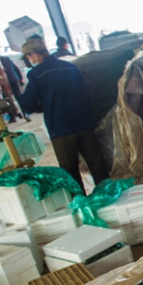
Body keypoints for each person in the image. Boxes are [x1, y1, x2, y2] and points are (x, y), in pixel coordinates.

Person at [20, 37, 109, 194]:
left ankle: (80, 203)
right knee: (97, 164)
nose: (30, 60)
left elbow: (29, 105)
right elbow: (87, 94)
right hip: (85, 123)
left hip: (61, 129)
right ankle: (108, 196)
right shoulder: (71, 68)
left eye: (29, 57)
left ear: (34, 54)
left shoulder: (36, 74)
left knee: (70, 170)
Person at [0, 51, 30, 123]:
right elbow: (16, 69)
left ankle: (14, 117)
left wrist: (20, 79)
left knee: (7, 99)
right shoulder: (5, 58)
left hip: (6, 81)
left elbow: (16, 69)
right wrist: (20, 79)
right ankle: (25, 114)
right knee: (18, 97)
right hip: (13, 80)